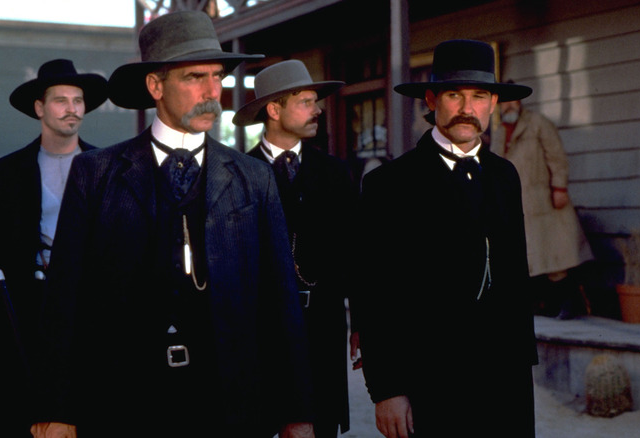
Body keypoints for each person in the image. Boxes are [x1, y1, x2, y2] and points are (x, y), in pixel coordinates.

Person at [31, 11, 315, 438]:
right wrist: (56, 408)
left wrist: (297, 413)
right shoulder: (97, 172)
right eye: (193, 77)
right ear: (155, 86)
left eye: (216, 77)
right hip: (125, 404)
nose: (211, 92)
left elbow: (281, 302)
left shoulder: (253, 177)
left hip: (232, 408)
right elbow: (65, 299)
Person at [358, 39, 538, 438]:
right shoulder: (389, 184)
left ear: (492, 103)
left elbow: (513, 277)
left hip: (504, 381)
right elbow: (375, 294)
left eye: (478, 96)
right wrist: (387, 389)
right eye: (454, 94)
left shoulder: (505, 176)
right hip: (430, 382)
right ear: (431, 99)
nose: (466, 108)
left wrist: (521, 370)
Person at [0, 59, 107, 437]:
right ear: (39, 108)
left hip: (88, 308)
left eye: (78, 100)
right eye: (61, 100)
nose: (72, 108)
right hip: (21, 306)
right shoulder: (5, 174)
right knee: (14, 410)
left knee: (90, 411)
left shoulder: (107, 168)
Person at [232, 59, 358, 438]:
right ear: (274, 109)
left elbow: (356, 254)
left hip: (321, 329)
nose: (317, 109)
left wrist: (363, 324)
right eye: (305, 101)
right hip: (258, 335)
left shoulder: (335, 173)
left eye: (315, 101)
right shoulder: (236, 172)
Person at [490, 93, 594, 319]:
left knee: (555, 255)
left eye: (512, 101)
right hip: (517, 203)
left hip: (543, 199)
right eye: (503, 102)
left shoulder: (537, 124)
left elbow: (556, 156)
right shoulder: (499, 133)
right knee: (528, 259)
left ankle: (569, 304)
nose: (508, 106)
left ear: (519, 102)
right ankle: (544, 305)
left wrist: (559, 188)